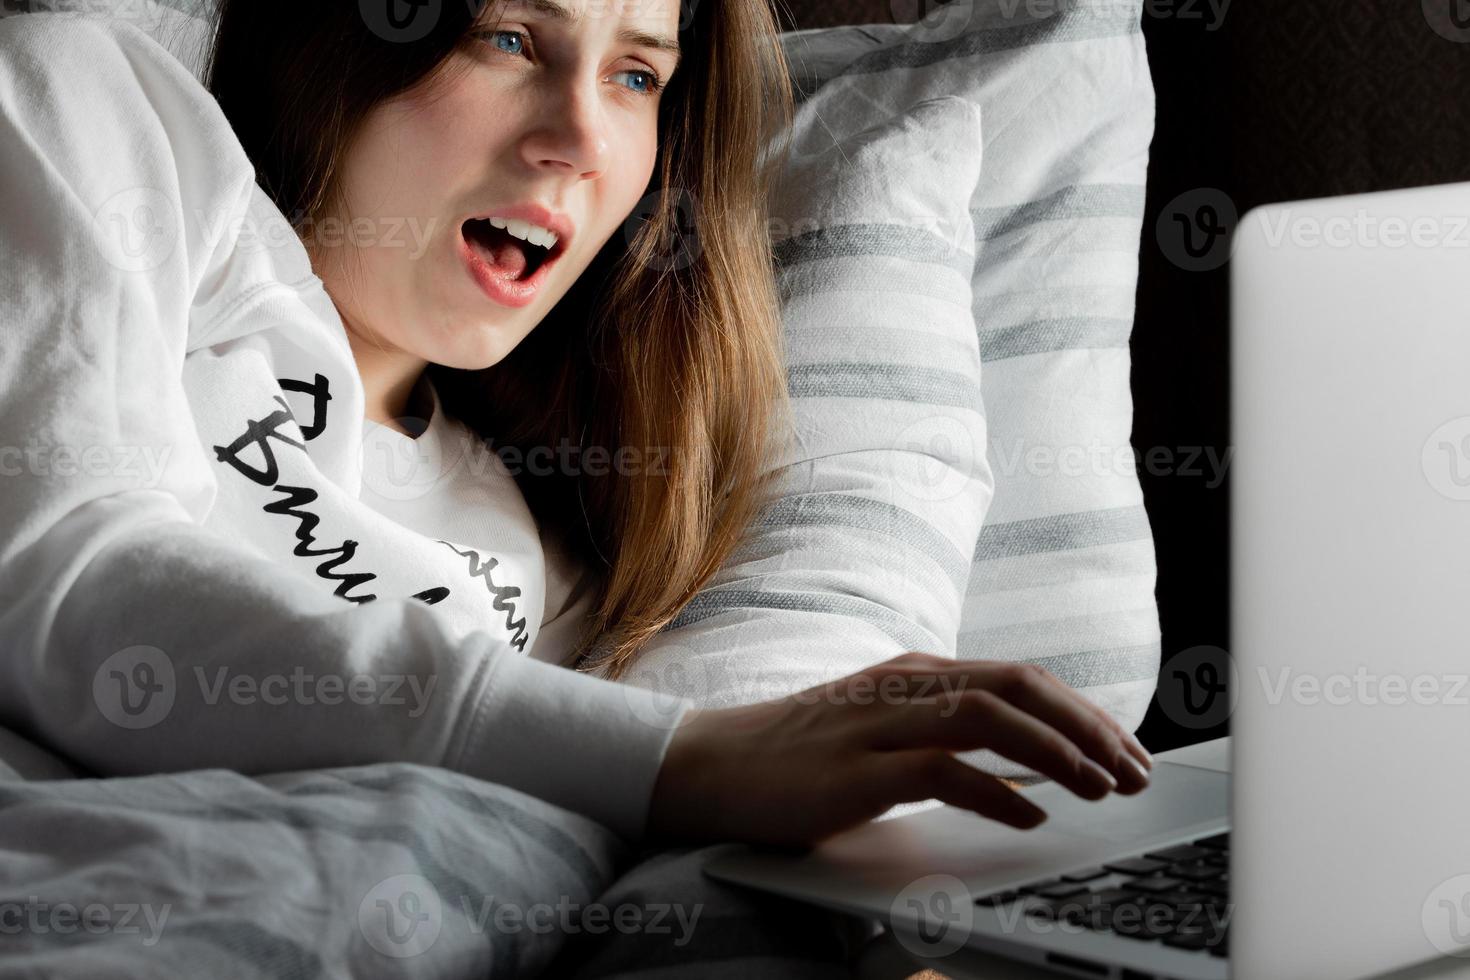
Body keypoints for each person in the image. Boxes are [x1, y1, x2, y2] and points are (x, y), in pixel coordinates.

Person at [0, 0, 1153, 853]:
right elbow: (64, 574)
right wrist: (683, 759)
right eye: (510, 39)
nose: (582, 140)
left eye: (638, 77)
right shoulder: (110, 119)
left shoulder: (550, 560)